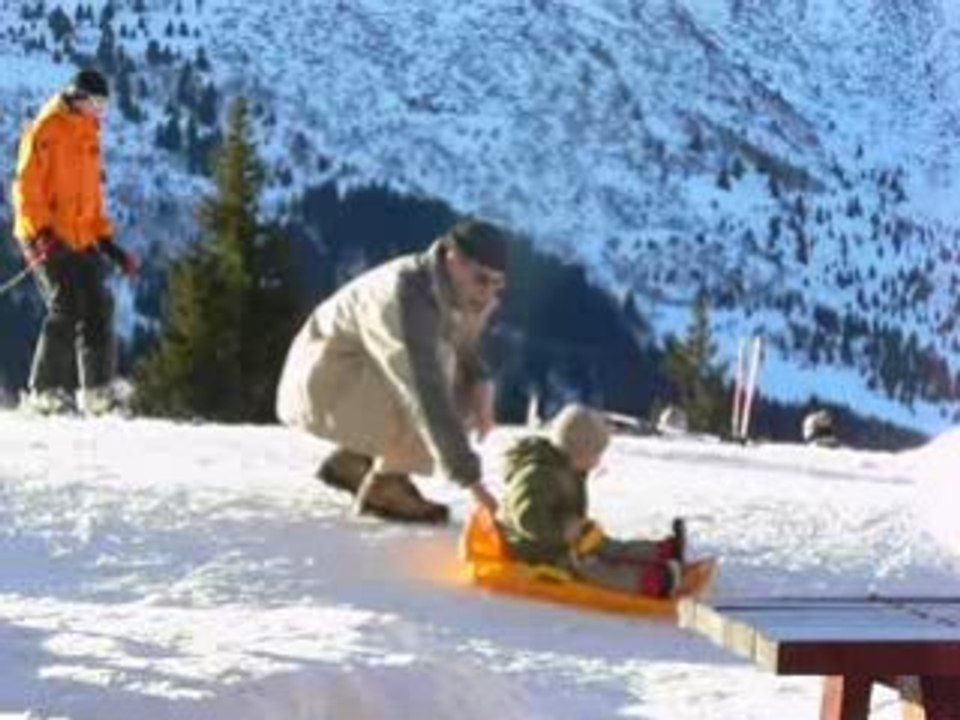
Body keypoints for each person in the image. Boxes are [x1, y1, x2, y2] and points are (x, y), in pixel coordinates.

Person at [275, 219, 507, 523]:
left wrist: (479, 379)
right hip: (320, 386)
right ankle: (385, 488)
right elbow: (425, 393)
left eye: (497, 284)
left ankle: (355, 460)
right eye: (481, 279)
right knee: (440, 382)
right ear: (452, 258)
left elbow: (457, 344)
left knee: (457, 381)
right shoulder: (404, 297)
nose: (489, 293)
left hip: (340, 377)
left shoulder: (440, 285)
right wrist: (477, 488)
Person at [12, 68, 139, 416]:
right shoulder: (46, 128)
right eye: (96, 103)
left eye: (104, 105)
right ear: (77, 97)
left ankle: (97, 391)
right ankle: (43, 392)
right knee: (66, 303)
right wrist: (41, 233)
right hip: (45, 235)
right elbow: (25, 188)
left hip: (79, 236)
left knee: (99, 304)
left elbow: (90, 199)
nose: (101, 111)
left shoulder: (88, 133)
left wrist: (109, 246)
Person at [498, 403, 693, 598]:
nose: (598, 461)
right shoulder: (536, 475)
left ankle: (661, 551)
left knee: (603, 544)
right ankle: (652, 582)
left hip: (562, 537)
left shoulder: (568, 467)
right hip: (536, 551)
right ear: (577, 451)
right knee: (590, 568)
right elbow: (526, 517)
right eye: (595, 454)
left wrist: (574, 526)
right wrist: (562, 529)